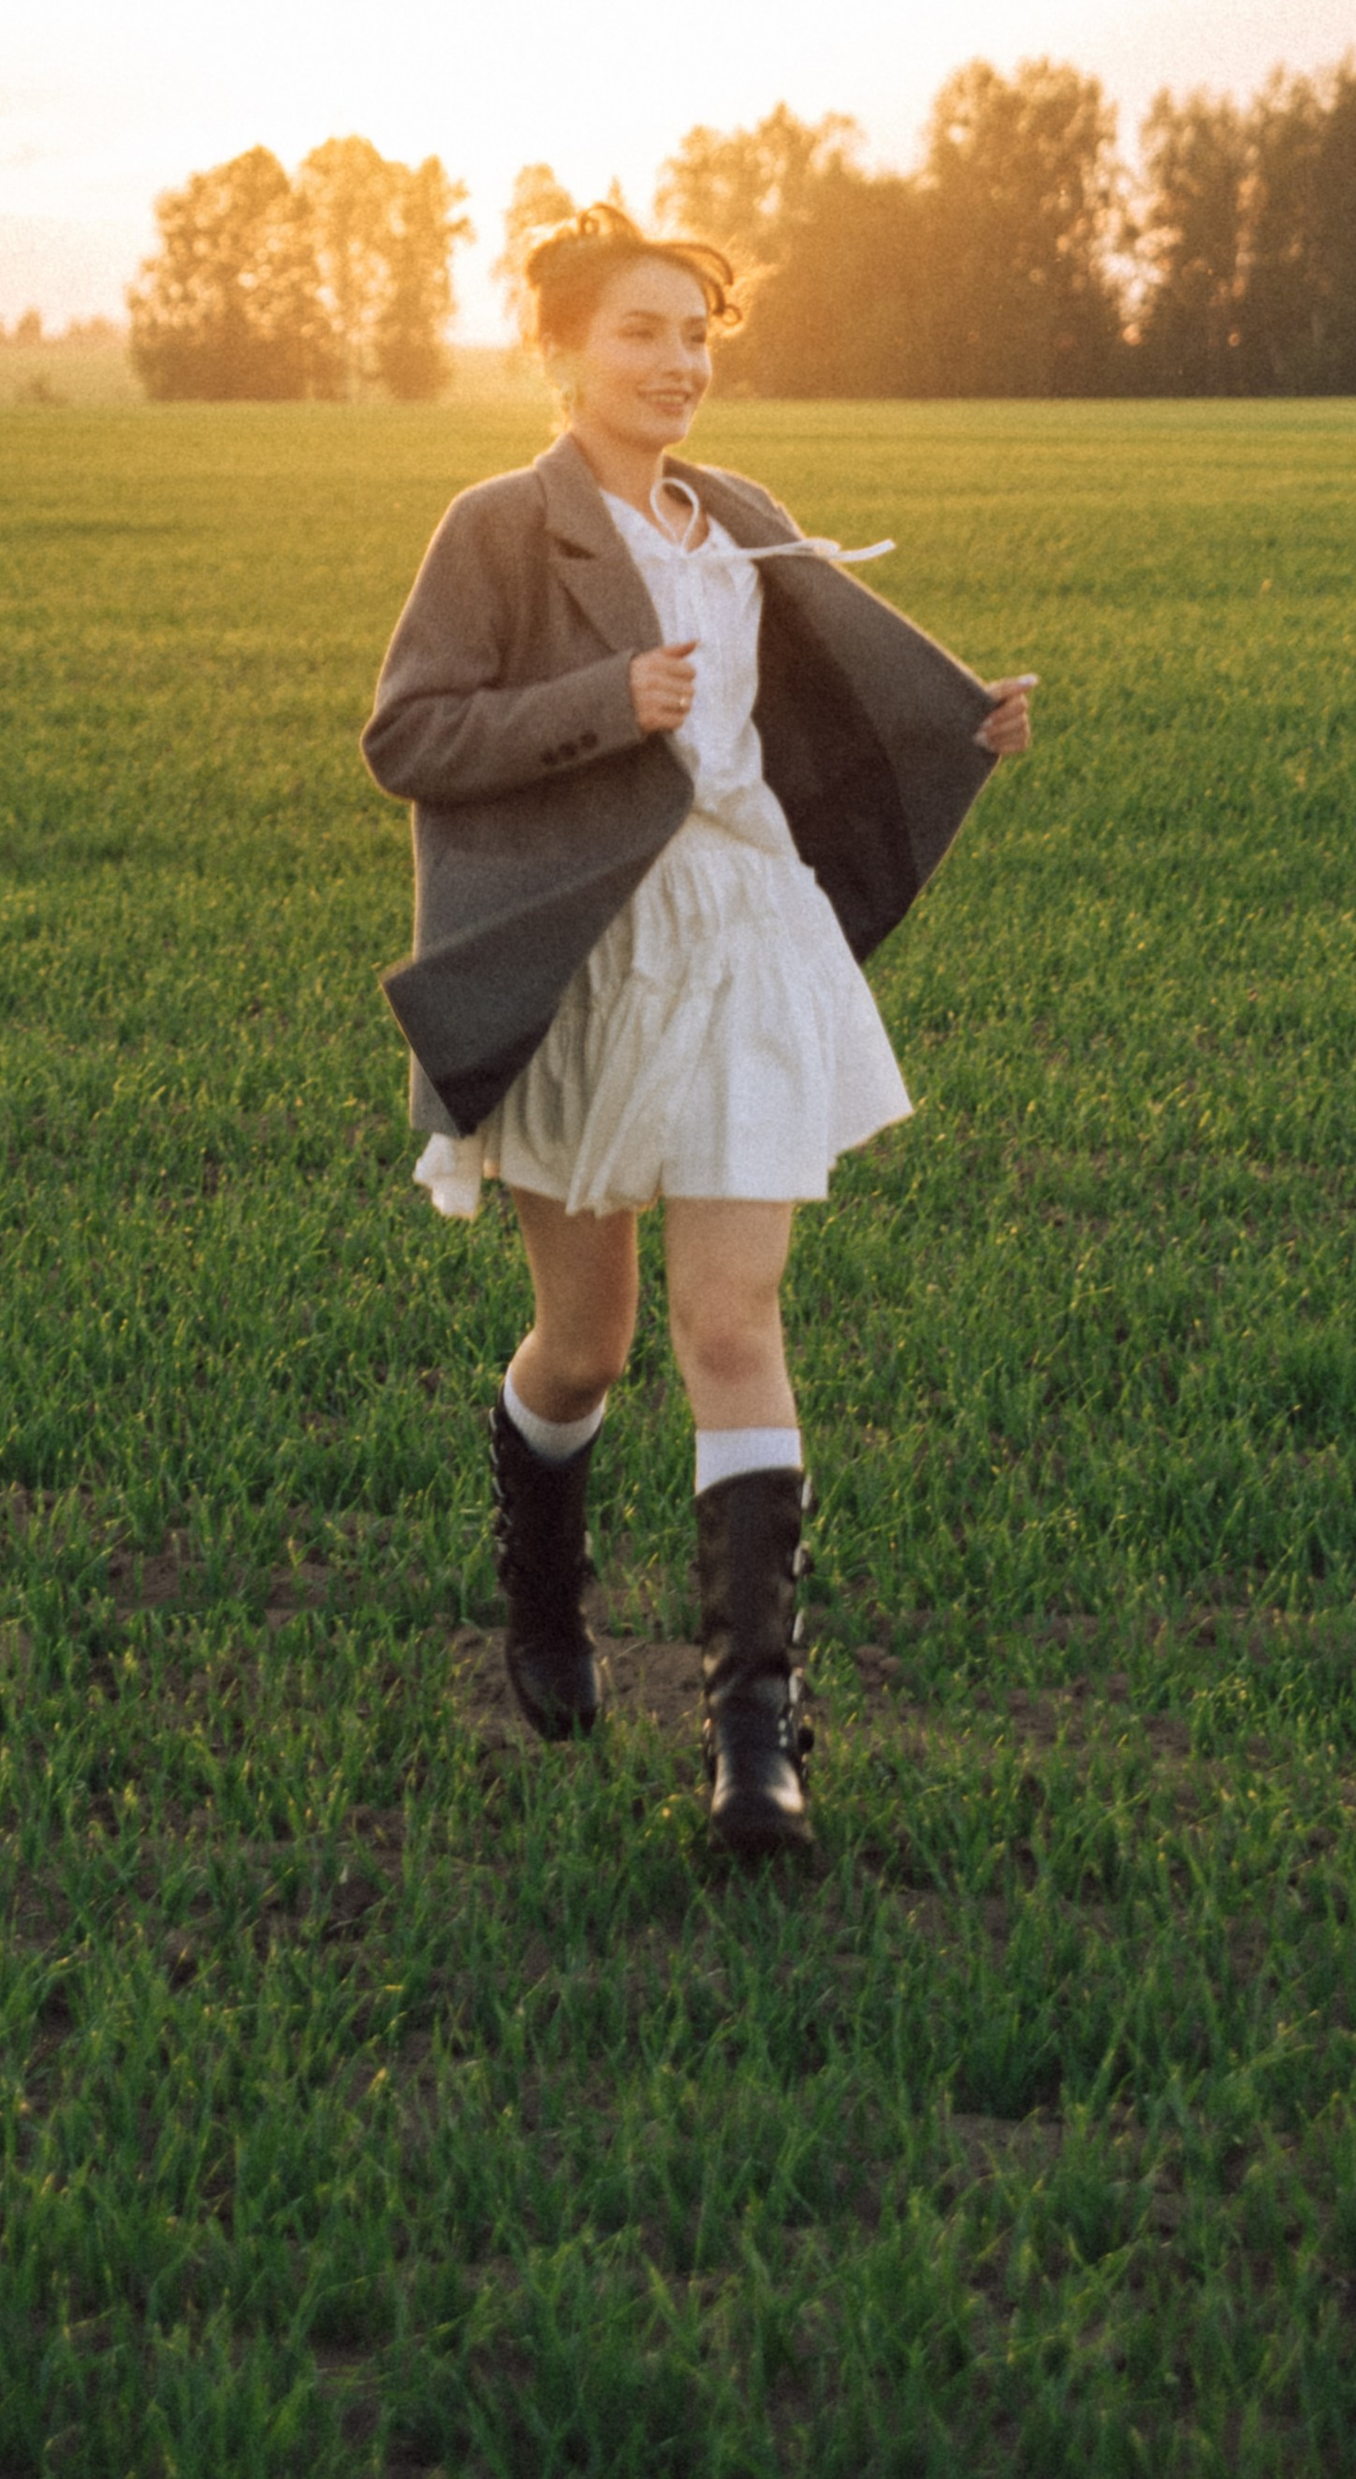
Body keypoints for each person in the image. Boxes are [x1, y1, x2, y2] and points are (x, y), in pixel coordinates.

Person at [361, 204, 1036, 1856]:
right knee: (584, 1343)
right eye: (641, 332)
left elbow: (823, 691)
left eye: (695, 333)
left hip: (745, 941)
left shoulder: (739, 519)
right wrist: (612, 702)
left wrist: (963, 725)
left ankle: (754, 1735)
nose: (677, 364)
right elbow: (407, 735)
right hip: (584, 959)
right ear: (563, 350)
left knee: (732, 1324)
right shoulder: (500, 527)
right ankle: (544, 1580)